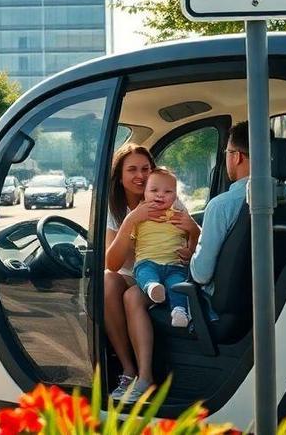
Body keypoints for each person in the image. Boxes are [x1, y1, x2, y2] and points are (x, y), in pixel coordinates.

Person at [102, 144, 192, 402]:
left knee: (133, 294)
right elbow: (112, 263)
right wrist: (132, 219)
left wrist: (189, 243)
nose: (140, 175)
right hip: (133, 271)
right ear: (119, 176)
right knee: (108, 282)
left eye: (145, 168)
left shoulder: (167, 198)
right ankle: (127, 369)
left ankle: (145, 377)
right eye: (132, 170)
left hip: (165, 270)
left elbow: (191, 237)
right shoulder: (113, 208)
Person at [131, 168, 199, 329]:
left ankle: (179, 311)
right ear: (145, 193)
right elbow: (132, 241)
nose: (160, 195)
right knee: (144, 273)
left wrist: (189, 249)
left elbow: (194, 239)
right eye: (154, 190)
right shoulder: (139, 214)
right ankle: (152, 287)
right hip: (147, 261)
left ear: (175, 195)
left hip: (174, 265)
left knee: (177, 284)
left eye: (168, 191)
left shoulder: (180, 214)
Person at [189, 121, 251, 295]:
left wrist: (190, 257)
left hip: (220, 307)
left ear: (237, 156)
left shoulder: (221, 206)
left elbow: (201, 275)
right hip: (281, 300)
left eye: (227, 152)